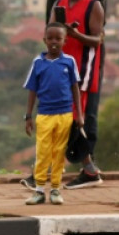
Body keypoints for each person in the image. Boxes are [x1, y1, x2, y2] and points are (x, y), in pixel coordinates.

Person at [23, 0, 108, 190]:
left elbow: (97, 39)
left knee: (69, 120)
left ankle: (52, 171)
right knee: (63, 120)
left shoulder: (94, 4)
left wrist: (74, 34)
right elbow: (51, 29)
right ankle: (87, 170)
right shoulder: (59, 2)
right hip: (60, 67)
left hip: (82, 71)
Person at [23, 22, 84, 204]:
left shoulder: (69, 62)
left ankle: (56, 189)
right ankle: (40, 190)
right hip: (45, 115)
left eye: (58, 38)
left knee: (58, 152)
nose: (54, 42)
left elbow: (75, 89)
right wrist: (28, 116)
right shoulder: (38, 63)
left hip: (65, 115)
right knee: (43, 152)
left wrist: (79, 115)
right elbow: (32, 90)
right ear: (44, 40)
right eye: (50, 38)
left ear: (65, 41)